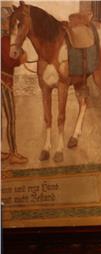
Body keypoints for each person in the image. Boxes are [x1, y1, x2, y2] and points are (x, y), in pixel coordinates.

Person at [1, 7, 27, 165]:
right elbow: (9, 61)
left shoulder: (7, 40)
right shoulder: (4, 40)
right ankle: (13, 153)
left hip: (5, 81)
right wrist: (20, 60)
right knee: (11, 119)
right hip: (4, 83)